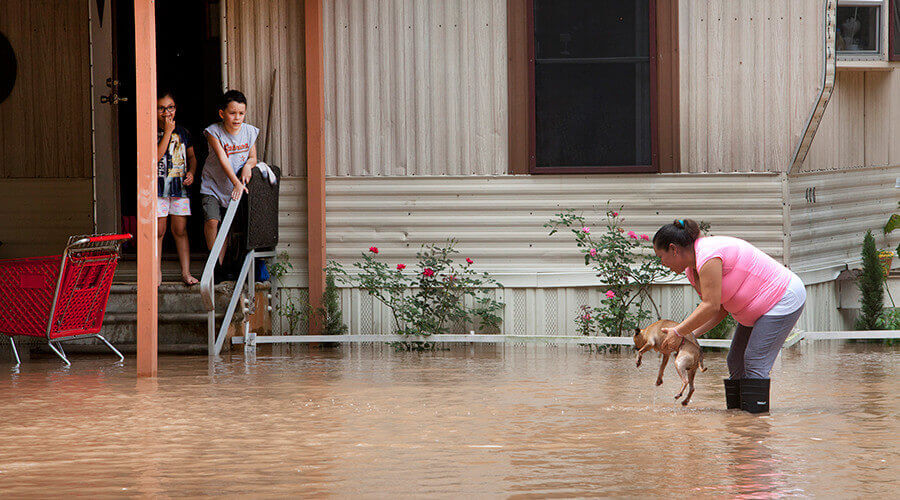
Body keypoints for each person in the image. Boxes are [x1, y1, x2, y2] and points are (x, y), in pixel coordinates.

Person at [652, 219, 806, 413]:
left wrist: (679, 331)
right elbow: (719, 309)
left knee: (754, 360)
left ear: (673, 249)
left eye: (661, 256)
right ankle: (739, 424)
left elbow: (710, 306)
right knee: (735, 360)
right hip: (758, 308)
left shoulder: (707, 256)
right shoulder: (693, 271)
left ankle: (754, 428)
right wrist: (688, 336)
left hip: (782, 299)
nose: (662, 263)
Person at [199, 90, 259, 280]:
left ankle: (220, 268)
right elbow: (223, 159)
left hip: (234, 189)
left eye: (241, 113)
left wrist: (248, 167)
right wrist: (236, 183)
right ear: (222, 113)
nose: (237, 118)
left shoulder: (250, 132)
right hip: (213, 186)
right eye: (233, 113)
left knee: (225, 229)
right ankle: (214, 264)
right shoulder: (213, 132)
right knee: (212, 221)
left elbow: (253, 157)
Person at [156, 91, 198, 286]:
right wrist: (166, 132)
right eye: (161, 108)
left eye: (170, 107)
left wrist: (191, 172)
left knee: (180, 229)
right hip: (158, 189)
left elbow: (191, 158)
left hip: (179, 189)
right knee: (159, 230)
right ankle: (156, 272)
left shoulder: (183, 132)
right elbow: (155, 157)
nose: (166, 112)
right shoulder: (150, 131)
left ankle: (186, 272)